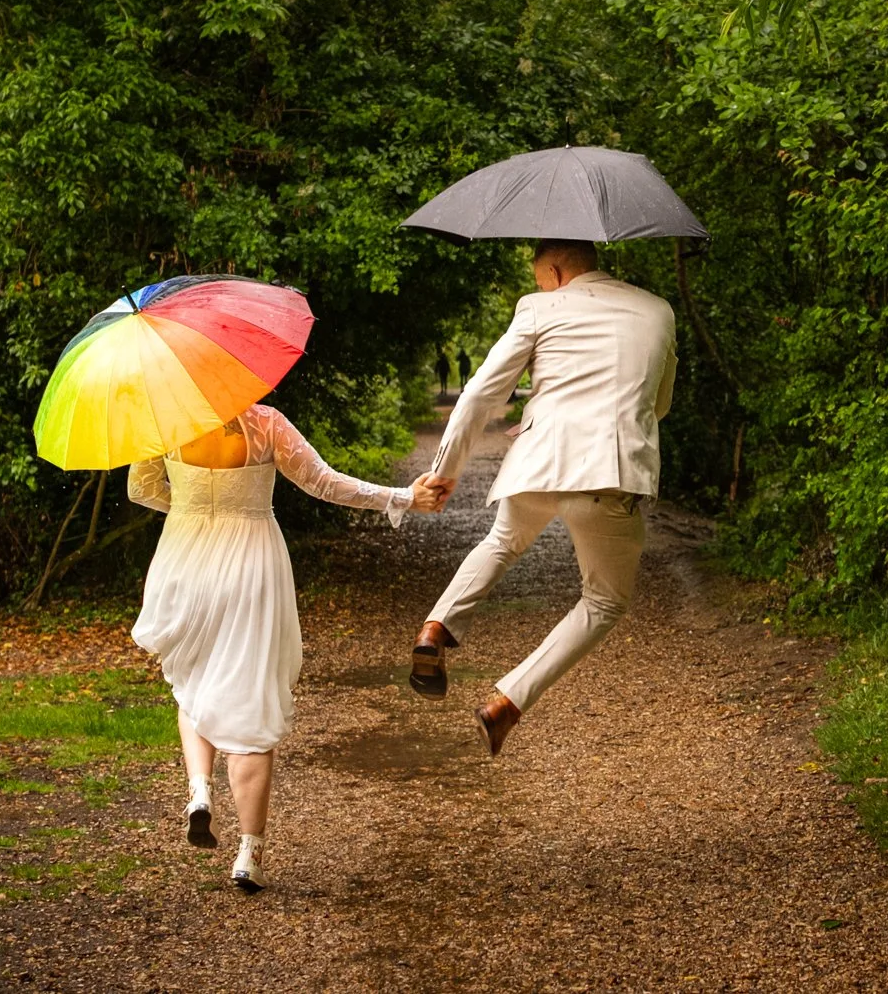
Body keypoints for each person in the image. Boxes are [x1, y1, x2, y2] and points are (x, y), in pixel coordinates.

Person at [129, 406, 442, 891]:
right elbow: (324, 482)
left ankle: (199, 792)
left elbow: (141, 490)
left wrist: (196, 508)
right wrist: (402, 497)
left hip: (184, 559)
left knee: (193, 680)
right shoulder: (265, 423)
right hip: (250, 561)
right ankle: (249, 854)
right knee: (250, 694)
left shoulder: (165, 420)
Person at [408, 239, 677, 755]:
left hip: (538, 459)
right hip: (608, 471)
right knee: (603, 601)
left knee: (502, 541)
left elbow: (481, 393)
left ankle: (435, 629)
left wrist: (444, 471)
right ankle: (507, 703)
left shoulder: (538, 308)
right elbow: (657, 404)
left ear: (554, 271)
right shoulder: (658, 309)